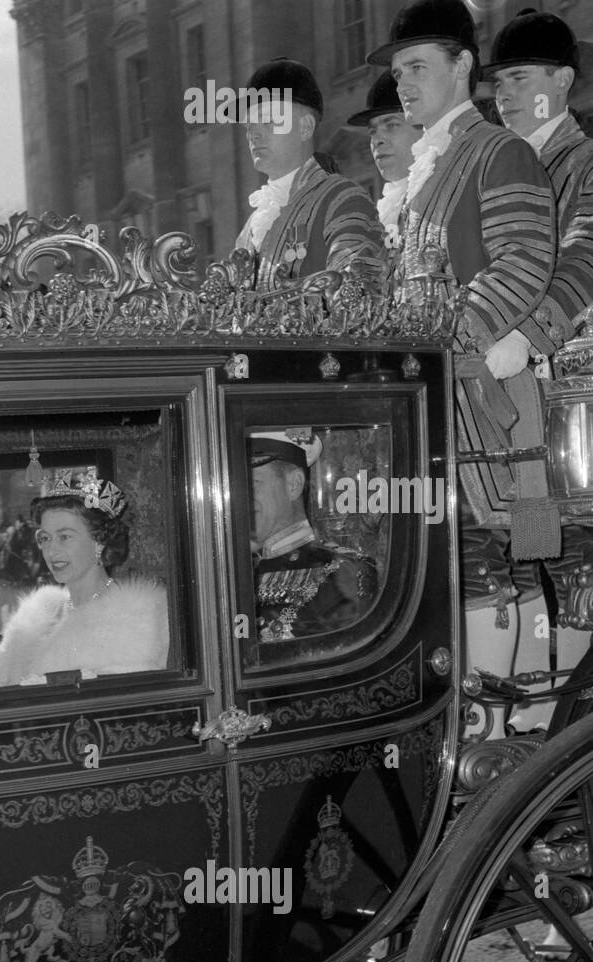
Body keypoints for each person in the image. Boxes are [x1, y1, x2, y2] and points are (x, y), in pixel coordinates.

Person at [368, 0, 557, 714]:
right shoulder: (425, 173)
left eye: (417, 67)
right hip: (439, 404)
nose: (405, 83)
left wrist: (445, 344)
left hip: (499, 410)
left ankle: (527, 741)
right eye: (398, 71)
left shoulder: (499, 151)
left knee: (526, 562)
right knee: (459, 568)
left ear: (463, 67)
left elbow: (525, 261)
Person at [487, 9, 593, 699]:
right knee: (535, 553)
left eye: (520, 79)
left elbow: (586, 256)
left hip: (574, 401)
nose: (505, 95)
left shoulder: (583, 161)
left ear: (562, 80)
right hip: (523, 406)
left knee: (579, 557)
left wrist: (529, 335)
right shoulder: (510, 162)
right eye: (498, 83)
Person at [0, 470, 168, 689]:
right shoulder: (36, 616)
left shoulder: (137, 620)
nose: (51, 550)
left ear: (99, 542)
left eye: (65, 537)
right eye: (45, 538)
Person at [236, 58, 384, 289]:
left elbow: (356, 295)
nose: (253, 134)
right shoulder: (252, 226)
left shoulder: (342, 201)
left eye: (267, 121)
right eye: (249, 126)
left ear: (305, 127)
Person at [250, 430, 378, 642]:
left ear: (294, 485)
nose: (242, 498)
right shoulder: (238, 570)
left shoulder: (342, 573)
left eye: (253, 483)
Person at [346, 71, 420, 251]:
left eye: (391, 125)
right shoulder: (387, 208)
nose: (377, 140)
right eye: (372, 131)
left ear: (424, 125)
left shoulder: (444, 191)